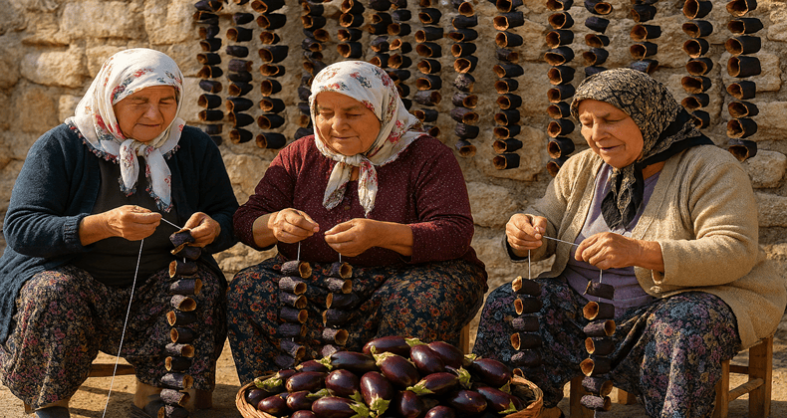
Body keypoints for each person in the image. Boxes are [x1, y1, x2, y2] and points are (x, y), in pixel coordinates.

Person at [473, 69, 786, 418]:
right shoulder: (582, 168)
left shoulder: (710, 168)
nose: (596, 134)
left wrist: (640, 252)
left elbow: (734, 250)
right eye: (587, 122)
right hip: (584, 311)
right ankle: (528, 411)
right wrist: (524, 231)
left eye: (610, 120)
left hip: (667, 308)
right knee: (508, 302)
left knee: (682, 324)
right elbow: (545, 216)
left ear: (647, 115)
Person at [0, 49, 238, 418]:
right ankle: (51, 401)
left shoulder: (192, 146)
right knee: (52, 292)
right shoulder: (62, 146)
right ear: (110, 98)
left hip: (158, 283)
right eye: (139, 101)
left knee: (201, 287)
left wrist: (215, 227)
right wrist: (101, 225)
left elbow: (228, 214)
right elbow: (21, 227)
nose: (154, 114)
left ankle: (157, 392)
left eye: (166, 101)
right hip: (76, 283)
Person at [227, 61, 487, 383]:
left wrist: (379, 233)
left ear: (381, 109)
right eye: (325, 112)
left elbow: (454, 232)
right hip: (317, 277)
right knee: (249, 287)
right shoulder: (300, 154)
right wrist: (275, 223)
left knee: (419, 300)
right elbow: (246, 220)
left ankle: (386, 404)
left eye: (352, 113)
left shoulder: (426, 156)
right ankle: (278, 399)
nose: (337, 125)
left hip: (409, 277)